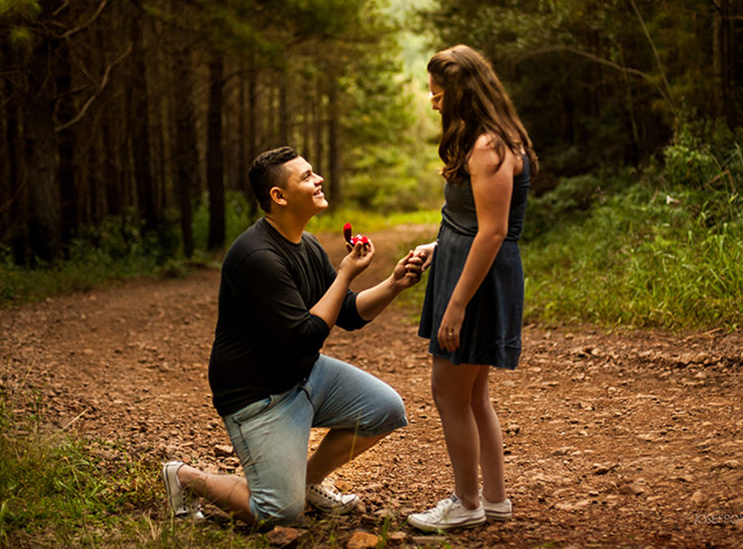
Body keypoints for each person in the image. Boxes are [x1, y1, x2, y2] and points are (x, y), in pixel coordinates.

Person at [161, 146, 423, 528]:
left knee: (385, 409)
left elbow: (347, 312)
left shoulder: (308, 243)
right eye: (306, 177)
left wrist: (394, 284)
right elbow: (306, 336)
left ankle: (307, 481)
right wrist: (347, 272)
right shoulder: (257, 256)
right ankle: (185, 476)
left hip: (304, 376)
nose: (318, 180)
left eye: (314, 172)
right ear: (278, 197)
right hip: (258, 397)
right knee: (277, 512)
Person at [407, 44, 537, 532]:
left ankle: (467, 502)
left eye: (439, 94)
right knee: (474, 391)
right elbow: (472, 222)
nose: (433, 101)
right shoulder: (484, 140)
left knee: (448, 391)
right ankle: (495, 500)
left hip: (478, 285)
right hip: (463, 266)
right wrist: (438, 247)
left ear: (463, 93)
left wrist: (456, 305)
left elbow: (494, 232)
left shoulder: (490, 146)